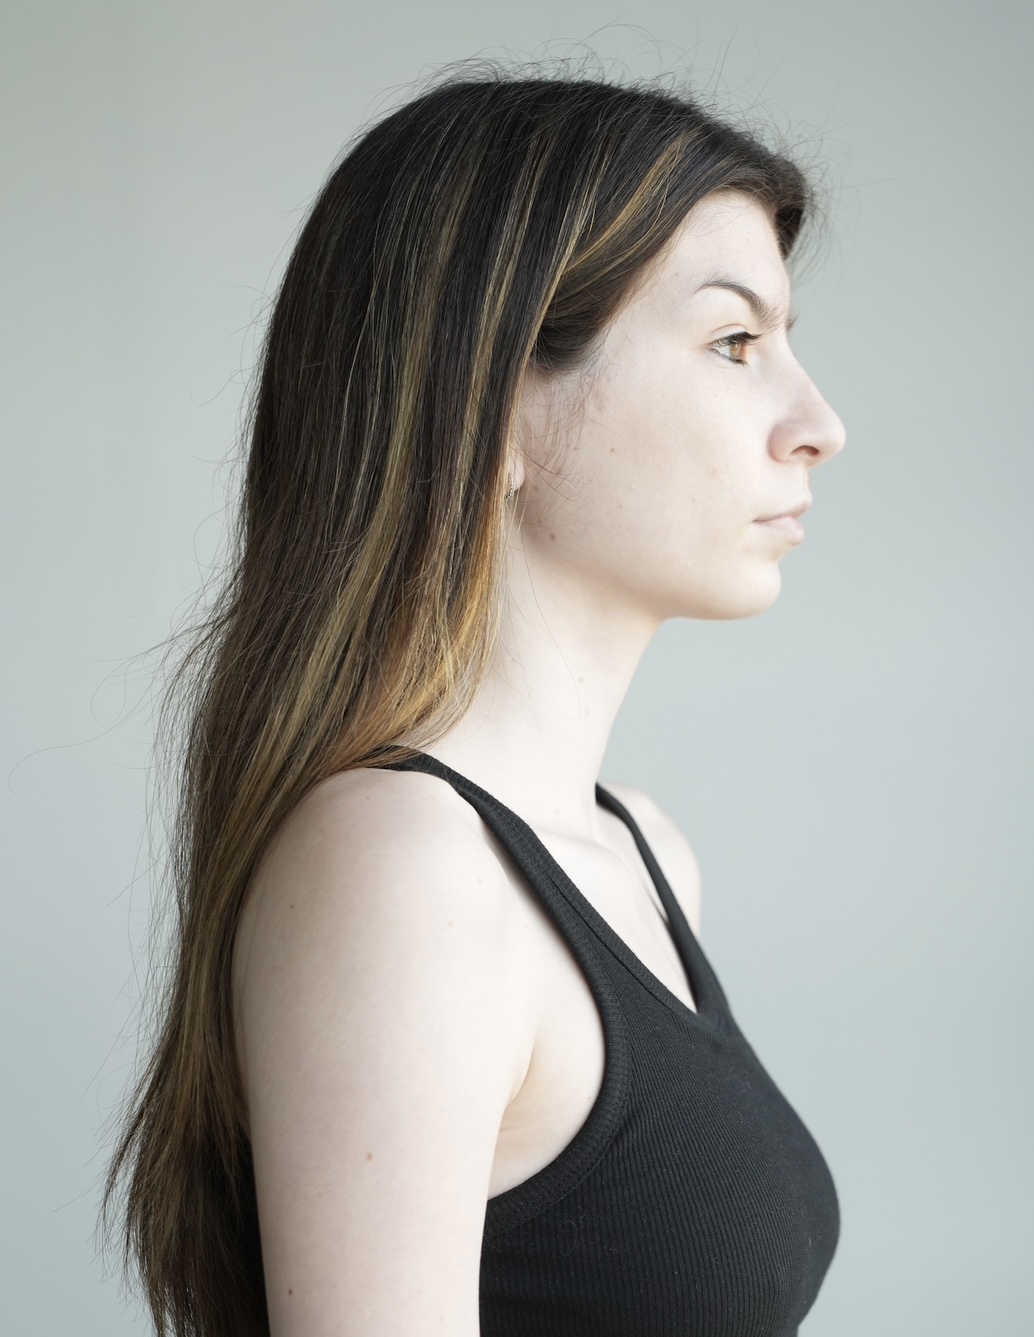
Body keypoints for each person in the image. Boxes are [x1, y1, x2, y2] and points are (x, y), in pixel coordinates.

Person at [105, 66, 847, 1337]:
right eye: (734, 341)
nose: (816, 421)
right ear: (496, 403)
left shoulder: (641, 854)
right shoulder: (403, 867)